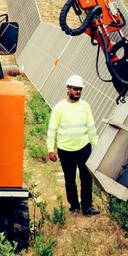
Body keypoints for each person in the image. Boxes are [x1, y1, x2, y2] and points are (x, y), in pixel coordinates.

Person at [46, 74, 99, 215]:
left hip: (84, 148)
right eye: (76, 89)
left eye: (80, 89)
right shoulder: (59, 108)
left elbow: (91, 128)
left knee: (86, 178)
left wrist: (97, 147)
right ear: (68, 88)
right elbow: (52, 130)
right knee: (69, 179)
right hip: (65, 150)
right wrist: (50, 149)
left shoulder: (85, 106)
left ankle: (87, 207)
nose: (78, 92)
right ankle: (74, 206)